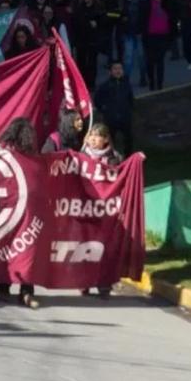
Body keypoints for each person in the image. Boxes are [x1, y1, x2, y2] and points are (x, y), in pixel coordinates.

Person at [0, 117, 40, 308]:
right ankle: (26, 291)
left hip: (4, 208)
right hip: (27, 208)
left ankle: (3, 288)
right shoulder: (31, 157)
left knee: (4, 248)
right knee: (27, 249)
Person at [79, 123, 122, 298]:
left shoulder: (115, 158)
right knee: (85, 246)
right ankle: (84, 281)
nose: (93, 139)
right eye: (91, 135)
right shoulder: (81, 156)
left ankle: (104, 283)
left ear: (105, 139)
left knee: (105, 247)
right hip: (85, 209)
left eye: (97, 136)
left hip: (105, 210)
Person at [95, 61, 134, 155]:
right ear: (110, 71)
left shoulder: (126, 85)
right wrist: (104, 110)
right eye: (115, 69)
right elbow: (97, 100)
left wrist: (129, 110)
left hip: (125, 117)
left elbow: (131, 99)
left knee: (128, 139)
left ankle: (128, 158)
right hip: (111, 118)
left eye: (120, 68)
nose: (118, 71)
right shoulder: (105, 86)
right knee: (110, 140)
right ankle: (110, 157)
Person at [71, 0, 104, 89]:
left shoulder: (98, 8)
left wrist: (96, 23)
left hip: (93, 40)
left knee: (92, 63)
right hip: (81, 40)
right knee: (81, 63)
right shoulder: (79, 8)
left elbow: (103, 22)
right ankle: (82, 84)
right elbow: (76, 23)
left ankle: (91, 84)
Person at [145, 0, 172, 91]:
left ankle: (160, 84)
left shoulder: (166, 3)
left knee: (160, 61)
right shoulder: (149, 2)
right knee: (150, 61)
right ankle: (152, 82)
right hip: (150, 35)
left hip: (163, 35)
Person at [123, 0, 150, 86]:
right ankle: (126, 80)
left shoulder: (146, 2)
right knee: (128, 58)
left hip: (140, 33)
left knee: (141, 57)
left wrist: (142, 0)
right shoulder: (129, 1)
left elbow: (146, 15)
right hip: (129, 32)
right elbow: (124, 14)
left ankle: (143, 78)